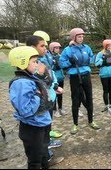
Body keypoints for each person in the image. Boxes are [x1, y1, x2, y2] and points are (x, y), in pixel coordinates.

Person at [8, 46, 53, 169]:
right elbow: (25, 110)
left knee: (44, 156)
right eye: (33, 62)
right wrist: (38, 96)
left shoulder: (30, 78)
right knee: (35, 161)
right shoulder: (21, 83)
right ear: (22, 63)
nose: (37, 64)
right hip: (32, 128)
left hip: (40, 123)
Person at [26, 35, 64, 164]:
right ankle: (44, 158)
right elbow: (37, 82)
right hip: (41, 103)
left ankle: (46, 154)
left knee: (47, 128)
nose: (45, 49)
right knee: (41, 132)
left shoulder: (43, 59)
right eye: (42, 46)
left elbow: (50, 74)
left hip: (49, 98)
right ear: (32, 47)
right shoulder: (30, 64)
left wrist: (55, 86)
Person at [59, 27, 100, 134]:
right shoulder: (68, 50)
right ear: (74, 37)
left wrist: (88, 62)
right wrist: (70, 62)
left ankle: (91, 121)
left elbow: (92, 58)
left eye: (82, 36)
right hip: (74, 77)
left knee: (89, 98)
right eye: (79, 36)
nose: (81, 38)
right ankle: (75, 124)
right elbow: (61, 63)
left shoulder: (87, 48)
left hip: (86, 75)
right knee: (75, 100)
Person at [49, 42, 67, 117]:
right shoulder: (49, 57)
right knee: (54, 94)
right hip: (54, 78)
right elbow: (48, 68)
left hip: (60, 77)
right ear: (52, 49)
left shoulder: (60, 56)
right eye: (56, 48)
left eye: (58, 48)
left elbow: (63, 65)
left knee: (60, 94)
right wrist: (54, 64)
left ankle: (60, 108)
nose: (58, 49)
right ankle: (54, 110)